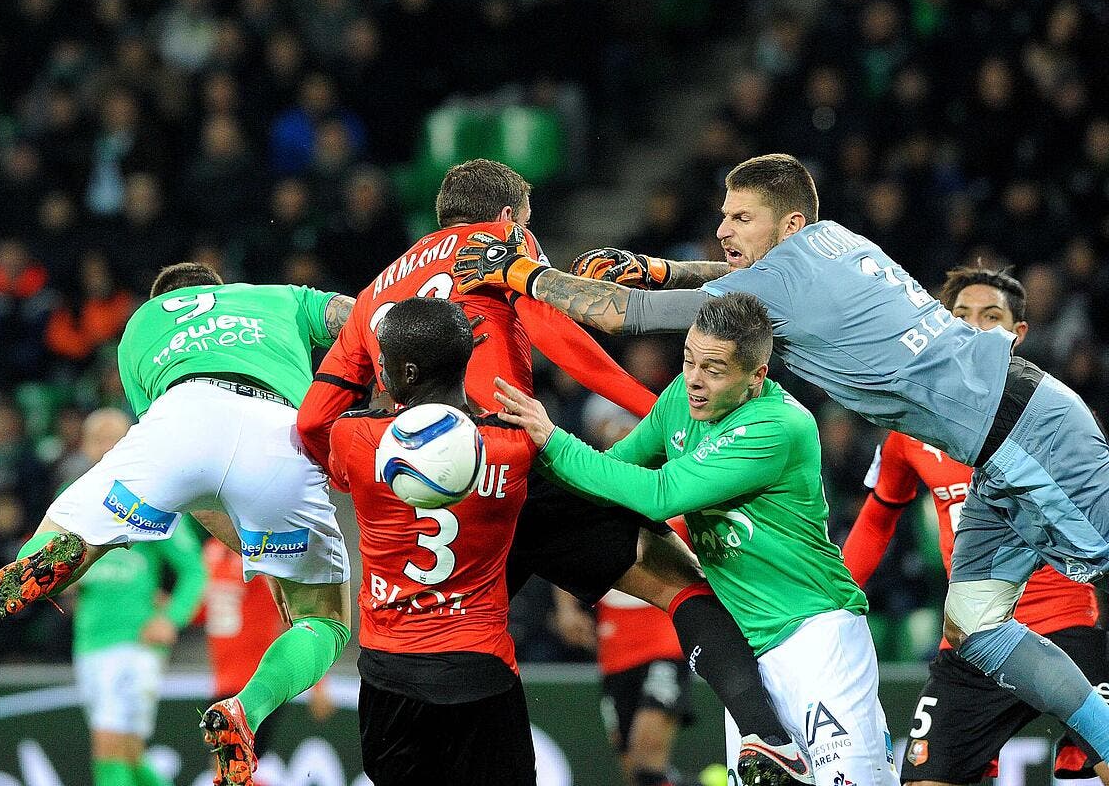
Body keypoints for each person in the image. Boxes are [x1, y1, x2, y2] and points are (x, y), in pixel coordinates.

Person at [453, 152, 1109, 773]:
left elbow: (625, 316)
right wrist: (661, 267)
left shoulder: (781, 330)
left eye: (741, 217)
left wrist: (525, 273)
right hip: (1002, 437)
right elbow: (726, 284)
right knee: (983, 631)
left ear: (789, 224)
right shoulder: (830, 243)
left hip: (1022, 430)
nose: (721, 228)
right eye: (723, 214)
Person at [297, 158, 812, 784]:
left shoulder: (379, 292)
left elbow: (311, 424)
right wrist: (660, 410)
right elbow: (558, 335)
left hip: (413, 493)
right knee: (679, 583)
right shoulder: (498, 245)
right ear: (510, 217)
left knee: (425, 645)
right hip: (512, 461)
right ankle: (767, 734)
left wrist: (364, 459)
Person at [496, 292, 897, 786]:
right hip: (744, 651)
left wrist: (554, 439)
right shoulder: (679, 401)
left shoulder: (779, 425)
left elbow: (661, 494)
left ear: (757, 375)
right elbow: (617, 471)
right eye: (688, 359)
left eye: (714, 368)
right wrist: (527, 470)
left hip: (813, 635)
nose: (694, 379)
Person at [0, 262, 355, 786]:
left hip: (181, 418)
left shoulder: (139, 329)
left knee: (66, 522)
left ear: (162, 302)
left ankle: (51, 558)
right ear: (221, 294)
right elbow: (354, 319)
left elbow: (188, 486)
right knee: (326, 622)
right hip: (278, 432)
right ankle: (246, 710)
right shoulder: (276, 297)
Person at [842, 266, 1107, 786]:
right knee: (923, 779)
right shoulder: (910, 425)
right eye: (960, 316)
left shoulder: (1053, 417)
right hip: (971, 639)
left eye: (992, 318)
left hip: (1065, 623)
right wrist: (833, 599)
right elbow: (877, 518)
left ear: (1019, 335)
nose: (974, 327)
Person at [330, 297, 538, 784]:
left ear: (404, 373)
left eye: (383, 360)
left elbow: (321, 429)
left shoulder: (354, 438)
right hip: (480, 668)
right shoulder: (515, 445)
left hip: (390, 675)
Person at [69, 408, 207, 786]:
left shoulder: (150, 501)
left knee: (107, 748)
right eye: (98, 439)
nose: (106, 447)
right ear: (83, 446)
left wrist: (171, 617)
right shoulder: (75, 506)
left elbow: (195, 570)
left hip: (134, 643)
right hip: (89, 640)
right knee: (128, 754)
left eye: (115, 438)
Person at [552, 521, 695, 786]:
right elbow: (566, 540)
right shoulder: (596, 490)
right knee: (632, 769)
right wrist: (566, 608)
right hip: (615, 644)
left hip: (666, 634)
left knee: (646, 756)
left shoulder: (677, 491)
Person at [201, 537, 336, 760]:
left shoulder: (259, 555)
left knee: (235, 761)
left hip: (257, 680)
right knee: (228, 762)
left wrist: (319, 684)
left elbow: (293, 615)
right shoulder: (212, 551)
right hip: (222, 679)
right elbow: (208, 609)